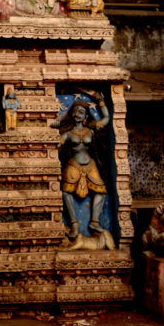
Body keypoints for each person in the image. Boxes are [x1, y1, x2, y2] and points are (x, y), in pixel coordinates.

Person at [52, 93, 111, 238]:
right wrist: (53, 129)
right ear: (71, 114)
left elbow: (106, 119)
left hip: (90, 164)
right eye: (75, 112)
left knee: (101, 191)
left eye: (81, 112)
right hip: (73, 164)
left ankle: (94, 222)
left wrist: (101, 102)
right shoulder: (68, 133)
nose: (77, 114)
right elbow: (57, 144)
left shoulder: (91, 130)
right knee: (65, 192)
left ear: (85, 116)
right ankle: (74, 223)